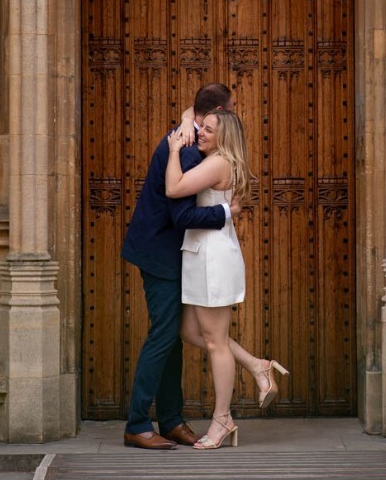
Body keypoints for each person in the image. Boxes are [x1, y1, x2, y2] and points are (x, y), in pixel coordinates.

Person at [121, 84, 286, 451]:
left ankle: (172, 420)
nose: (229, 117)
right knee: (167, 335)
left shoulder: (191, 140)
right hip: (164, 253)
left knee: (181, 337)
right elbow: (180, 213)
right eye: (223, 113)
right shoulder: (189, 149)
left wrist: (184, 120)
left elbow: (191, 114)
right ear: (211, 114)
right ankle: (138, 423)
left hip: (190, 254)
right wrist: (228, 211)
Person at [166, 108, 289, 449]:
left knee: (216, 342)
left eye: (207, 130)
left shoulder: (219, 163)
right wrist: (190, 114)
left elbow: (174, 188)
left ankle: (222, 419)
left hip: (212, 258)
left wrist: (175, 150)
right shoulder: (220, 160)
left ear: (224, 138)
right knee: (191, 331)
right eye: (200, 127)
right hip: (203, 254)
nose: (199, 134)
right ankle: (257, 365)